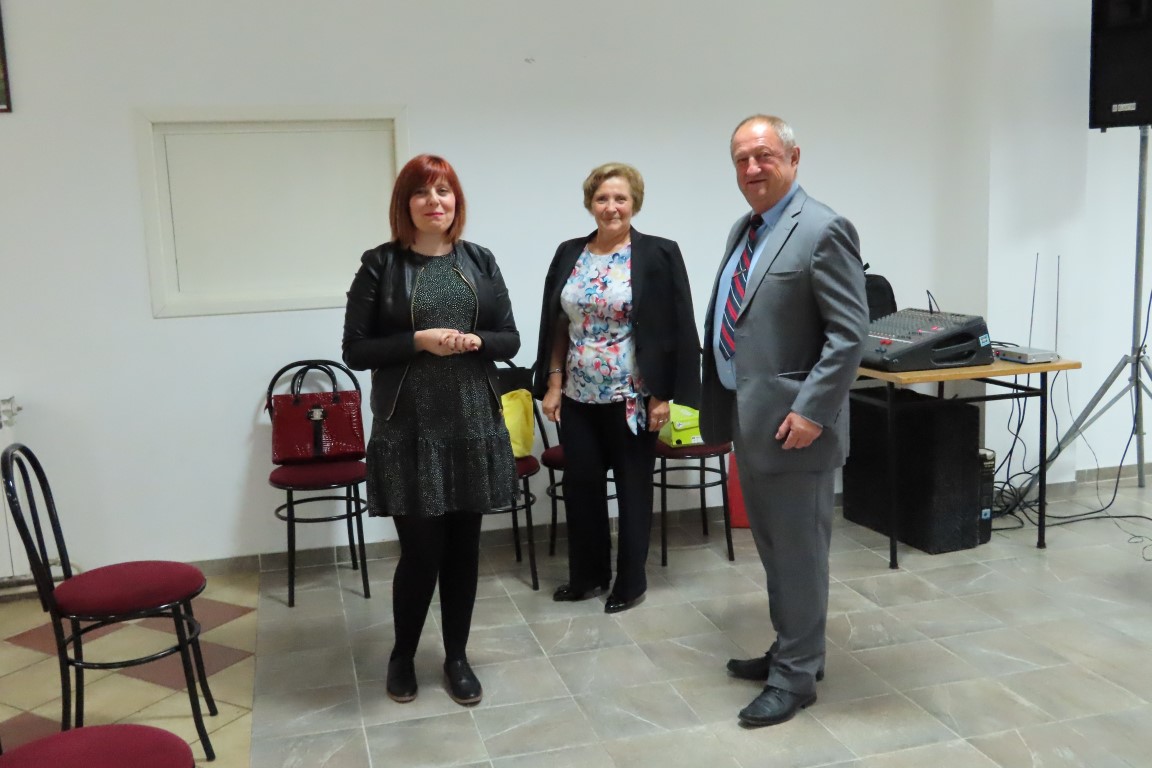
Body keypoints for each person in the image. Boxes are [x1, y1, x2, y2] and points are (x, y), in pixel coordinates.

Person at [699, 116, 868, 727]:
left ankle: (796, 678)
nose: (752, 168)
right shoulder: (746, 230)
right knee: (775, 551)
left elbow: (849, 334)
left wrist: (812, 411)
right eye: (741, 159)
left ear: (794, 158)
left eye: (764, 155)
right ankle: (793, 649)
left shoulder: (823, 228)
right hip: (752, 421)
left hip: (798, 429)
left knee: (799, 556)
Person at [342, 154, 519, 707]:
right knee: (421, 554)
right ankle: (402, 656)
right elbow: (355, 350)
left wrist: (477, 342)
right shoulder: (380, 264)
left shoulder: (480, 259)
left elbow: (510, 338)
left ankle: (457, 658)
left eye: (444, 191)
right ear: (406, 204)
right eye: (422, 192)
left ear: (455, 201)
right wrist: (418, 341)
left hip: (473, 422)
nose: (434, 201)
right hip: (409, 427)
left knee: (464, 552)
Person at [533, 162, 700, 615]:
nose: (611, 207)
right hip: (578, 396)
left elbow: (675, 326)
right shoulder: (570, 252)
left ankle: (630, 583)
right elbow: (558, 324)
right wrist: (553, 383)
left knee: (632, 490)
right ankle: (587, 576)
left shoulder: (659, 253)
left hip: (632, 398)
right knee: (582, 488)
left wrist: (662, 395)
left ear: (634, 203)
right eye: (602, 198)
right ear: (590, 203)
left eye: (620, 198)